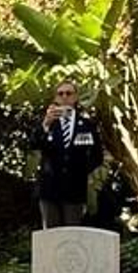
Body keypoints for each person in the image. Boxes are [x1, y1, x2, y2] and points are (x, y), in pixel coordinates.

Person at [28, 77, 104, 229]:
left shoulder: (86, 125)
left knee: (72, 234)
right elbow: (34, 145)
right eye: (60, 94)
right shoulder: (47, 123)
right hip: (49, 190)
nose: (64, 97)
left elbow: (97, 156)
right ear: (55, 98)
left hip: (75, 191)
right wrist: (45, 125)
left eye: (68, 93)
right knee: (51, 234)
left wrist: (80, 172)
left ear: (75, 97)